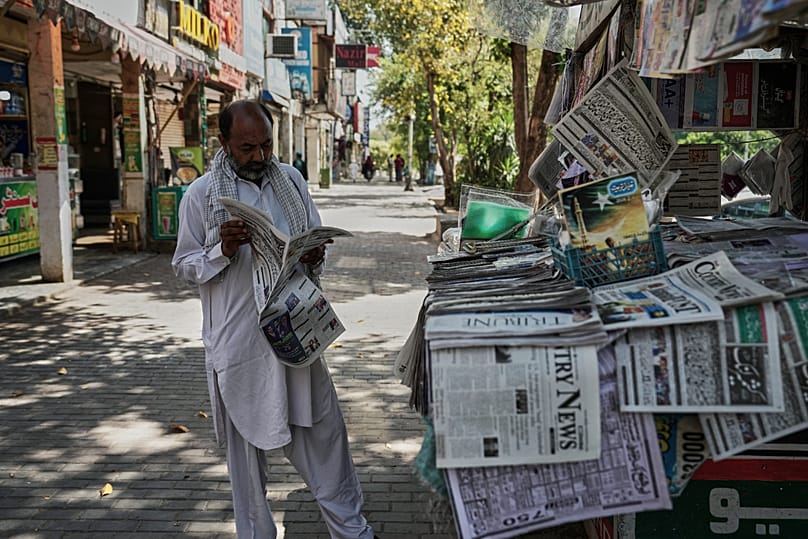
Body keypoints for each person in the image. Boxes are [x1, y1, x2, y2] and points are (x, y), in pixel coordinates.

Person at [172, 100, 375, 539]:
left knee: (326, 438)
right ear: (224, 143)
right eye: (248, 148)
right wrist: (221, 251)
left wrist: (314, 253)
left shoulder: (292, 182)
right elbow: (184, 265)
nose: (260, 157)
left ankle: (353, 531)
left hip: (297, 331)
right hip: (240, 345)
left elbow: (311, 241)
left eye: (266, 145)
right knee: (247, 466)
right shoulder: (202, 195)